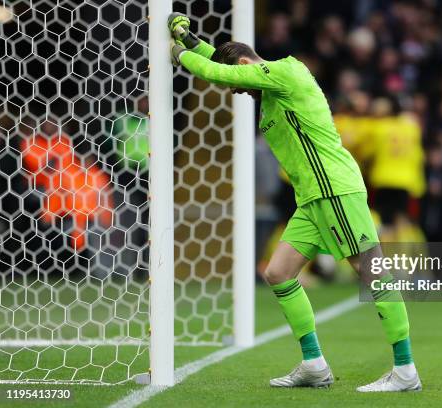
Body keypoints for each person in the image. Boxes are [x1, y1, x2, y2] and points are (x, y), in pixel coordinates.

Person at [167, 13, 422, 392]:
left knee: (371, 272)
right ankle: (313, 364)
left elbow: (223, 74)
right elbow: (222, 66)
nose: (240, 93)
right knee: (278, 272)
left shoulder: (287, 71)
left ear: (245, 64)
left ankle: (405, 371)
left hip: (334, 189)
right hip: (311, 199)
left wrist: (176, 54)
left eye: (242, 84)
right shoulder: (269, 89)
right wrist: (189, 41)